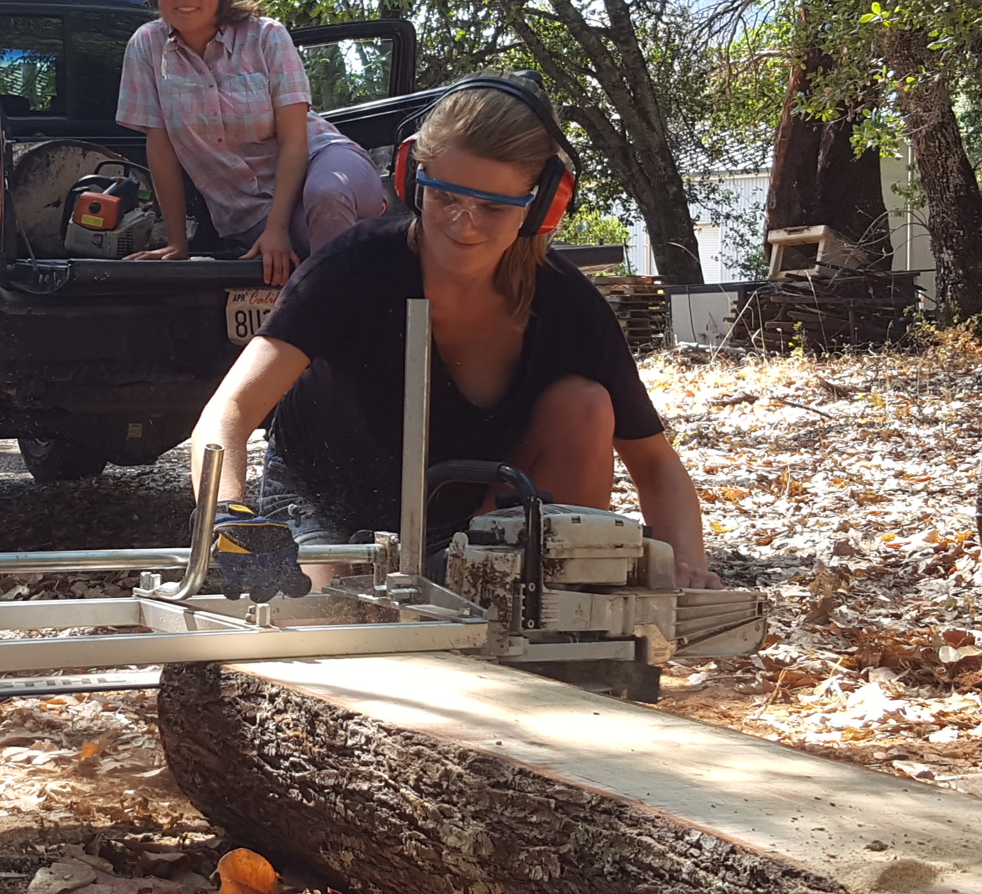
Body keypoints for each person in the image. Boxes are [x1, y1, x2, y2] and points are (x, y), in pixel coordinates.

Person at [191, 75, 722, 598]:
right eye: (445, 197)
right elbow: (229, 412)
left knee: (585, 406)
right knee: (326, 621)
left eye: (492, 207)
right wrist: (230, 517)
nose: (464, 225)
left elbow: (654, 464)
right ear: (411, 179)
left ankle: (548, 607)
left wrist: (687, 571)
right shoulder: (348, 267)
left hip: (468, 520)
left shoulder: (567, 305)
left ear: (542, 207)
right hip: (323, 501)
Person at [117, 0, 388, 286]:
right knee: (311, 252)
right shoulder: (146, 47)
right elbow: (161, 147)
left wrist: (276, 228)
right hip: (246, 211)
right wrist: (177, 243)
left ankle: (342, 335)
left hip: (321, 163)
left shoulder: (267, 36)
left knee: (327, 201)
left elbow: (295, 140)